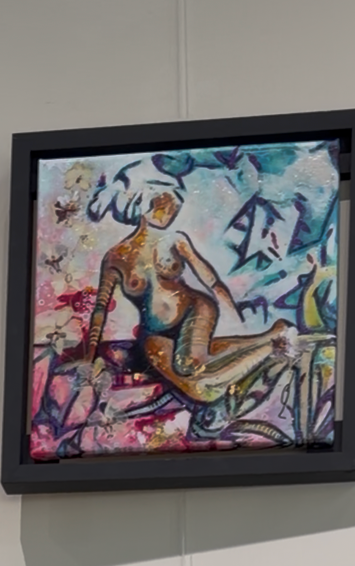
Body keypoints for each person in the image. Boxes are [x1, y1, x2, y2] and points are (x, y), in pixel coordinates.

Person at [84, 182, 305, 432]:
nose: (170, 214)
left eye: (172, 209)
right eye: (165, 207)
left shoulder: (175, 241)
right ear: (145, 208)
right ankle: (271, 339)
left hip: (195, 310)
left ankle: (272, 343)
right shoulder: (115, 257)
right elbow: (100, 309)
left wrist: (230, 308)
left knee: (192, 368)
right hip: (154, 333)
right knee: (200, 387)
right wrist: (89, 357)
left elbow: (210, 279)